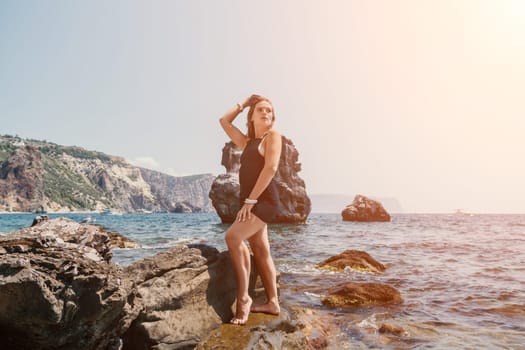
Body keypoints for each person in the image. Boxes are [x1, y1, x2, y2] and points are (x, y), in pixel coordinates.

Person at [219, 94, 282, 325]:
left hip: (263, 201)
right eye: (261, 110)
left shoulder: (272, 136)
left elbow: (271, 168)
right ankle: (273, 302)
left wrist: (250, 202)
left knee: (233, 237)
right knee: (261, 249)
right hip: (251, 201)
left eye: (269, 111)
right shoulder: (246, 143)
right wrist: (244, 103)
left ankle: (243, 298)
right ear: (252, 116)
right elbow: (224, 122)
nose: (266, 113)